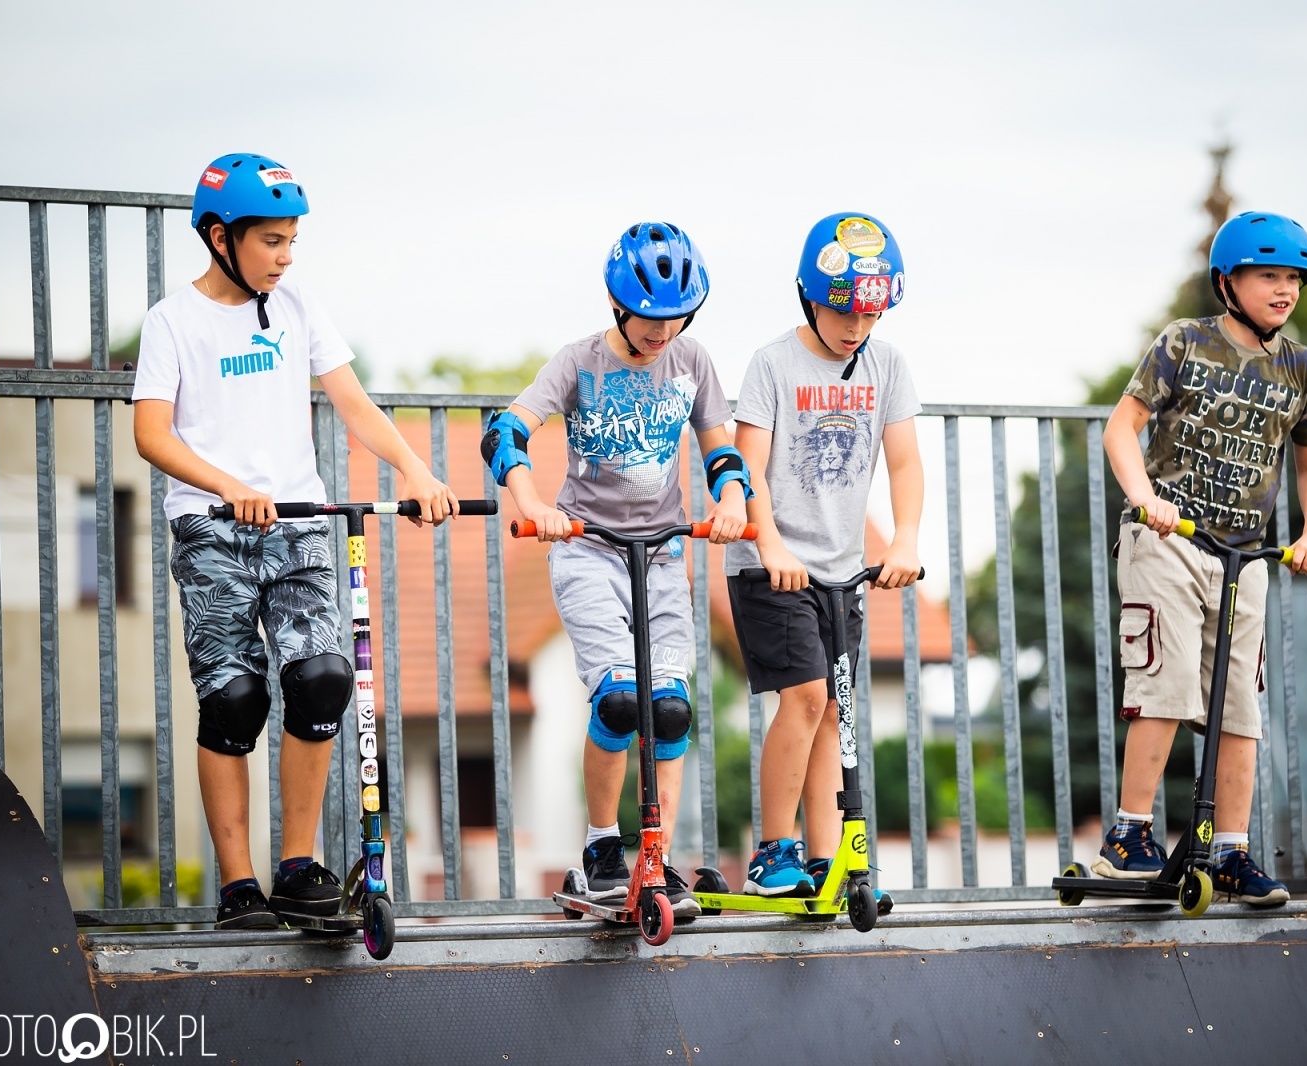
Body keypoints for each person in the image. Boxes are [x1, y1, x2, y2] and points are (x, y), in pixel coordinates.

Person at [133, 153, 455, 929]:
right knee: (235, 699)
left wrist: (414, 466)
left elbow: (352, 403)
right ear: (220, 237)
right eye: (271, 241)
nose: (284, 256)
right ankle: (239, 887)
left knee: (320, 680)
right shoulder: (172, 321)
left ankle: (296, 869)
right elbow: (150, 434)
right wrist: (224, 485)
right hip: (213, 530)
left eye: (291, 242)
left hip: (299, 524)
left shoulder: (300, 306)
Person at [481, 222, 749, 917]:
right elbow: (505, 429)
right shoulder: (577, 364)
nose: (664, 332)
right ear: (614, 302)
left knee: (671, 707)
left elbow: (721, 448)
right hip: (588, 548)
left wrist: (729, 498)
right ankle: (602, 850)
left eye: (677, 318)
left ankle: (654, 854)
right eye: (651, 319)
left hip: (661, 553)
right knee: (620, 701)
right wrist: (530, 499)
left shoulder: (693, 361)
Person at [1095, 210, 1307, 906]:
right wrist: (1146, 498)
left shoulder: (1302, 368)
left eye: (1294, 278)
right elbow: (1122, 428)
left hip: (1247, 555)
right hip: (1169, 541)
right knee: (1164, 686)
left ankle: (1231, 852)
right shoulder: (1184, 344)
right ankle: (1129, 835)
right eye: (1269, 276)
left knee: (1238, 710)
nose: (1284, 290)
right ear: (1228, 282)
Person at [724, 212, 923, 896]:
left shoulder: (887, 365)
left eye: (870, 315)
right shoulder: (773, 364)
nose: (856, 327)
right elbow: (746, 466)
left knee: (833, 711)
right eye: (843, 310)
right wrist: (768, 540)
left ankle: (819, 858)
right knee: (807, 698)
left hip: (842, 571)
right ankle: (771, 850)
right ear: (809, 293)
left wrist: (904, 538)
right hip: (771, 564)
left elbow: (904, 465)